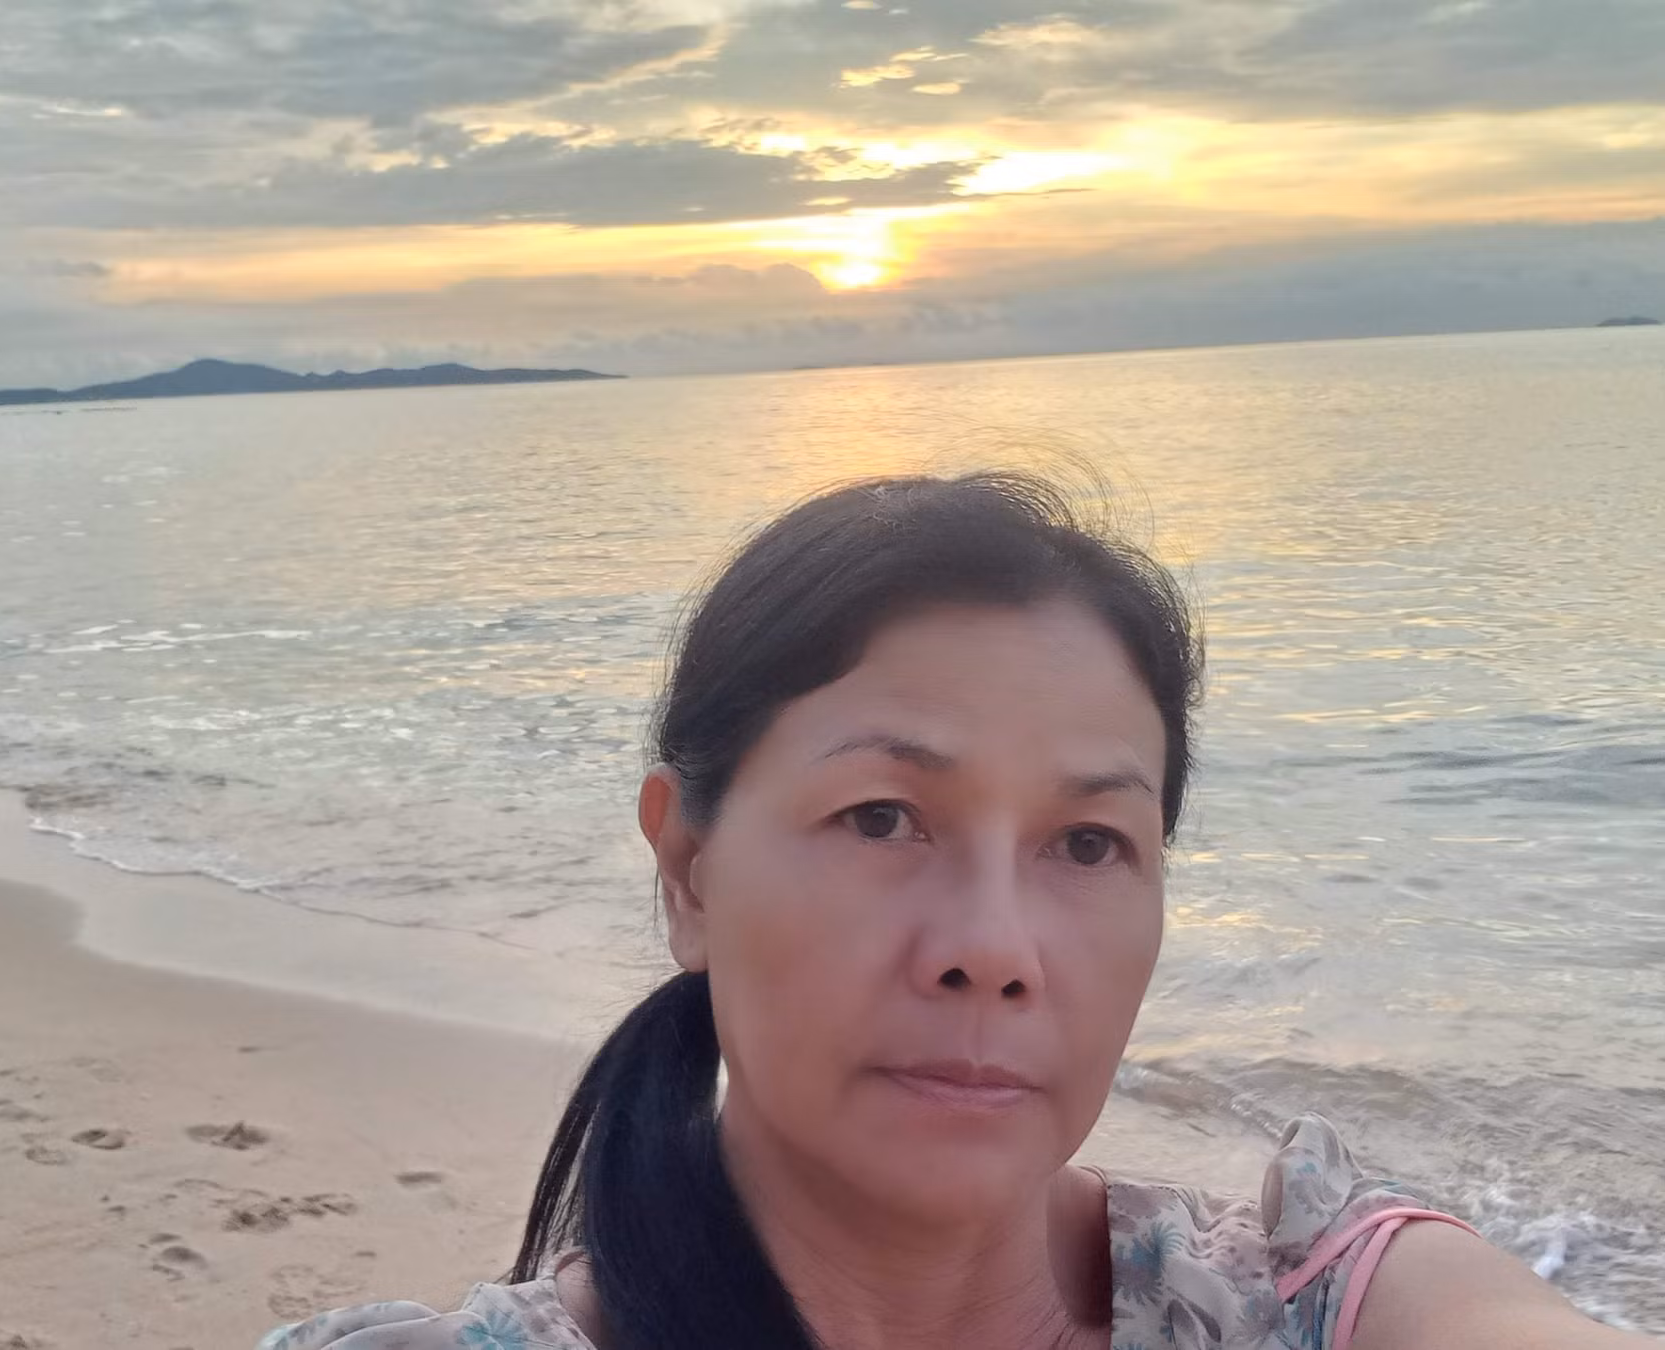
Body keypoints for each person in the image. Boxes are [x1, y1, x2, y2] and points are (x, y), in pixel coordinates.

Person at [257, 472, 1652, 1349]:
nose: (993, 948)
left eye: (1088, 842)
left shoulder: (1310, 1306)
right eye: (882, 817)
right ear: (687, 867)